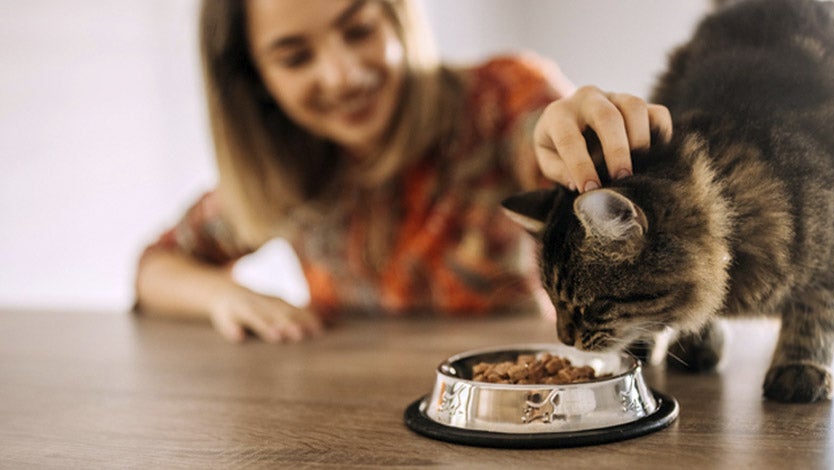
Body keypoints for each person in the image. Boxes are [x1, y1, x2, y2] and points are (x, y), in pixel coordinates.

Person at [134, 0, 673, 343]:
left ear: (395, 15)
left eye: (359, 29)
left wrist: (582, 143)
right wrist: (224, 296)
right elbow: (156, 267)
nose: (343, 75)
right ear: (255, 83)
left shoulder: (499, 101)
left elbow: (549, 142)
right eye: (296, 58)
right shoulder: (280, 173)